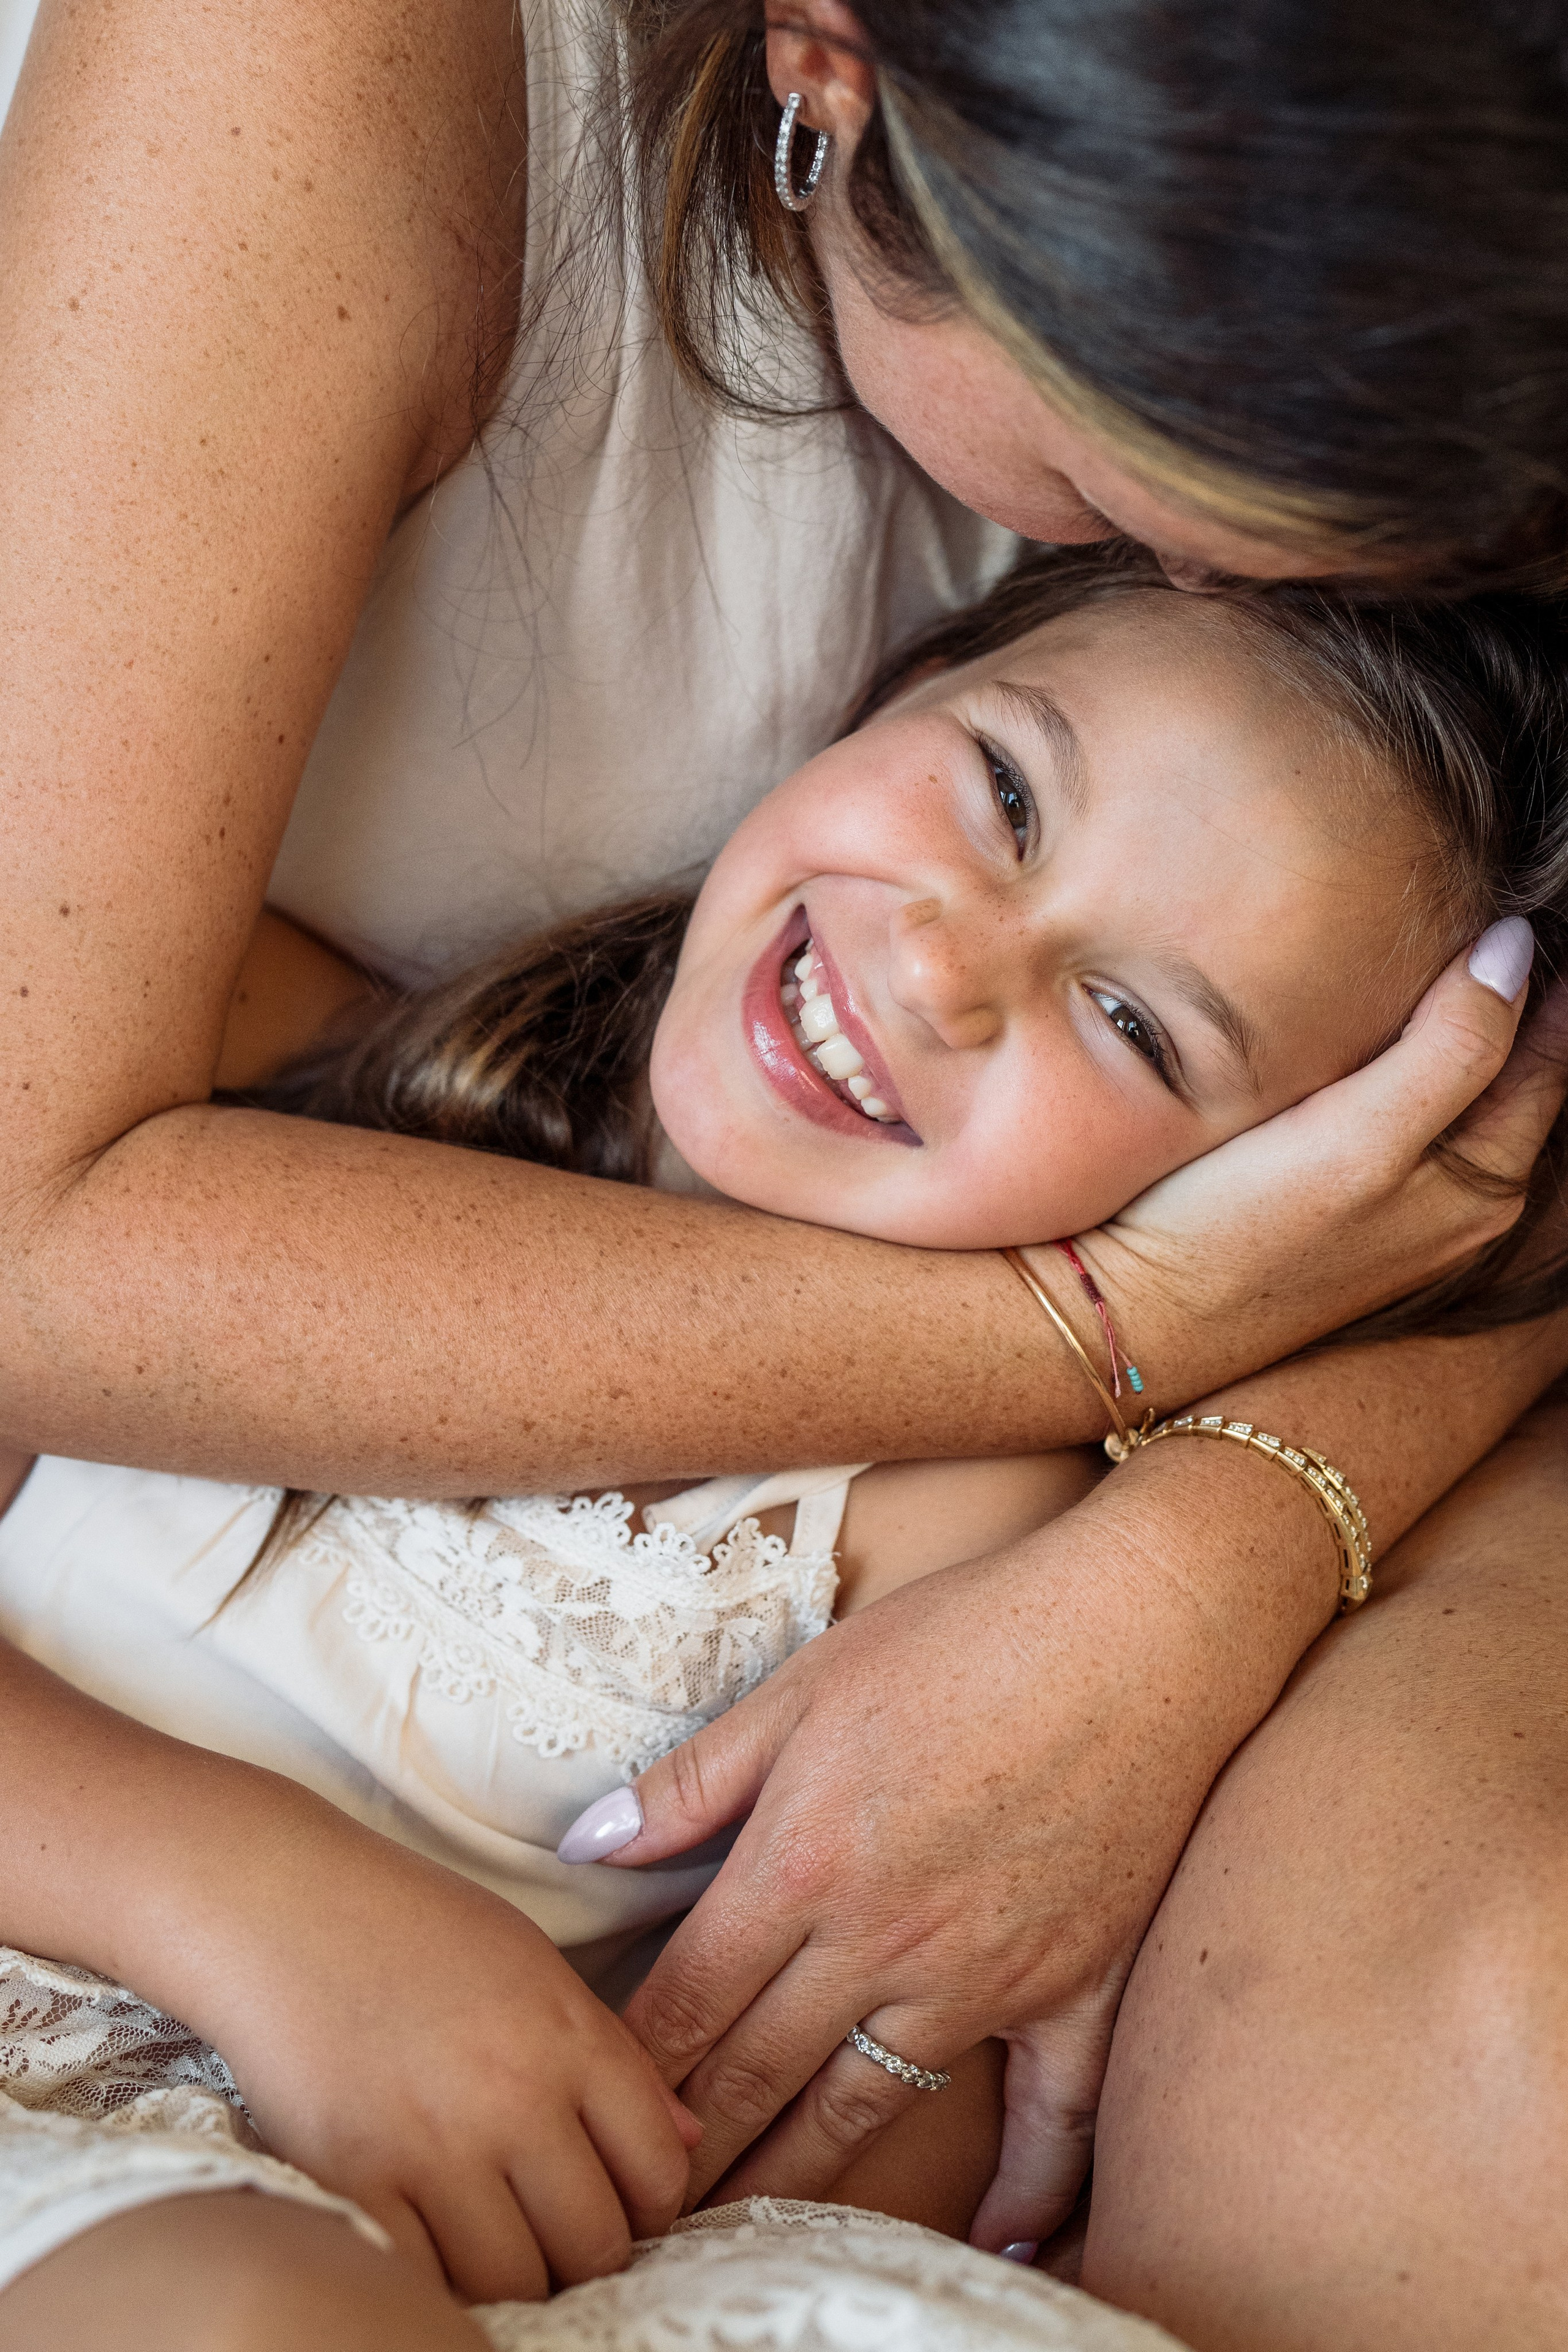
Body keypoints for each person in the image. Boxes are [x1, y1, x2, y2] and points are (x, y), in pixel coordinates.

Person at [4, 0, 1568, 2343]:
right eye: (1005, 795)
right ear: (829, 58)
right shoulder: (358, 1067)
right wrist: (1113, 1320)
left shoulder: (969, 1519)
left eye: (1135, 1023)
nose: (951, 974)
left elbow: (855, 2065)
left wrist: (1225, 1514)